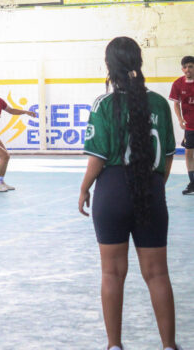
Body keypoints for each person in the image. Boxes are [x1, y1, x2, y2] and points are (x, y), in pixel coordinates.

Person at [79, 37, 180, 350]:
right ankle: (168, 345)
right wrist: (154, 186)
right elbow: (167, 157)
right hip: (149, 189)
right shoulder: (161, 104)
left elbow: (97, 158)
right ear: (138, 63)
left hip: (112, 190)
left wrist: (84, 188)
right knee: (157, 273)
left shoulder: (104, 104)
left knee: (112, 273)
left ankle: (114, 345)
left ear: (110, 67)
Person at [168, 55, 194, 195]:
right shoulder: (178, 84)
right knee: (188, 153)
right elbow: (176, 103)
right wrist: (180, 119)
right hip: (190, 125)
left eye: (190, 66)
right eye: (185, 67)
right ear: (182, 69)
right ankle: (192, 182)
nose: (188, 69)